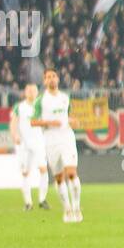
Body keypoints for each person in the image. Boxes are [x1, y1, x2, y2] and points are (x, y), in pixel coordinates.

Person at [30, 68, 81, 222]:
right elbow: (33, 121)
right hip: (51, 140)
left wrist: (73, 121)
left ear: (58, 79)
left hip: (67, 138)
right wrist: (50, 122)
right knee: (59, 178)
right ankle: (67, 209)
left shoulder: (65, 98)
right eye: (48, 77)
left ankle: (77, 208)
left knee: (71, 173)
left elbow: (69, 116)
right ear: (44, 81)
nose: (51, 79)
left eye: (53, 76)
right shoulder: (40, 100)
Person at [9, 83, 50, 211]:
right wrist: (15, 135)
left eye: (34, 90)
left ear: (37, 92)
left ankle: (42, 200)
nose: (31, 93)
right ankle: (28, 203)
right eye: (29, 90)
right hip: (24, 144)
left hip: (38, 141)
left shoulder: (42, 106)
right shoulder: (19, 107)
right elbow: (13, 123)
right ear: (25, 92)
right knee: (25, 172)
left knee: (43, 169)